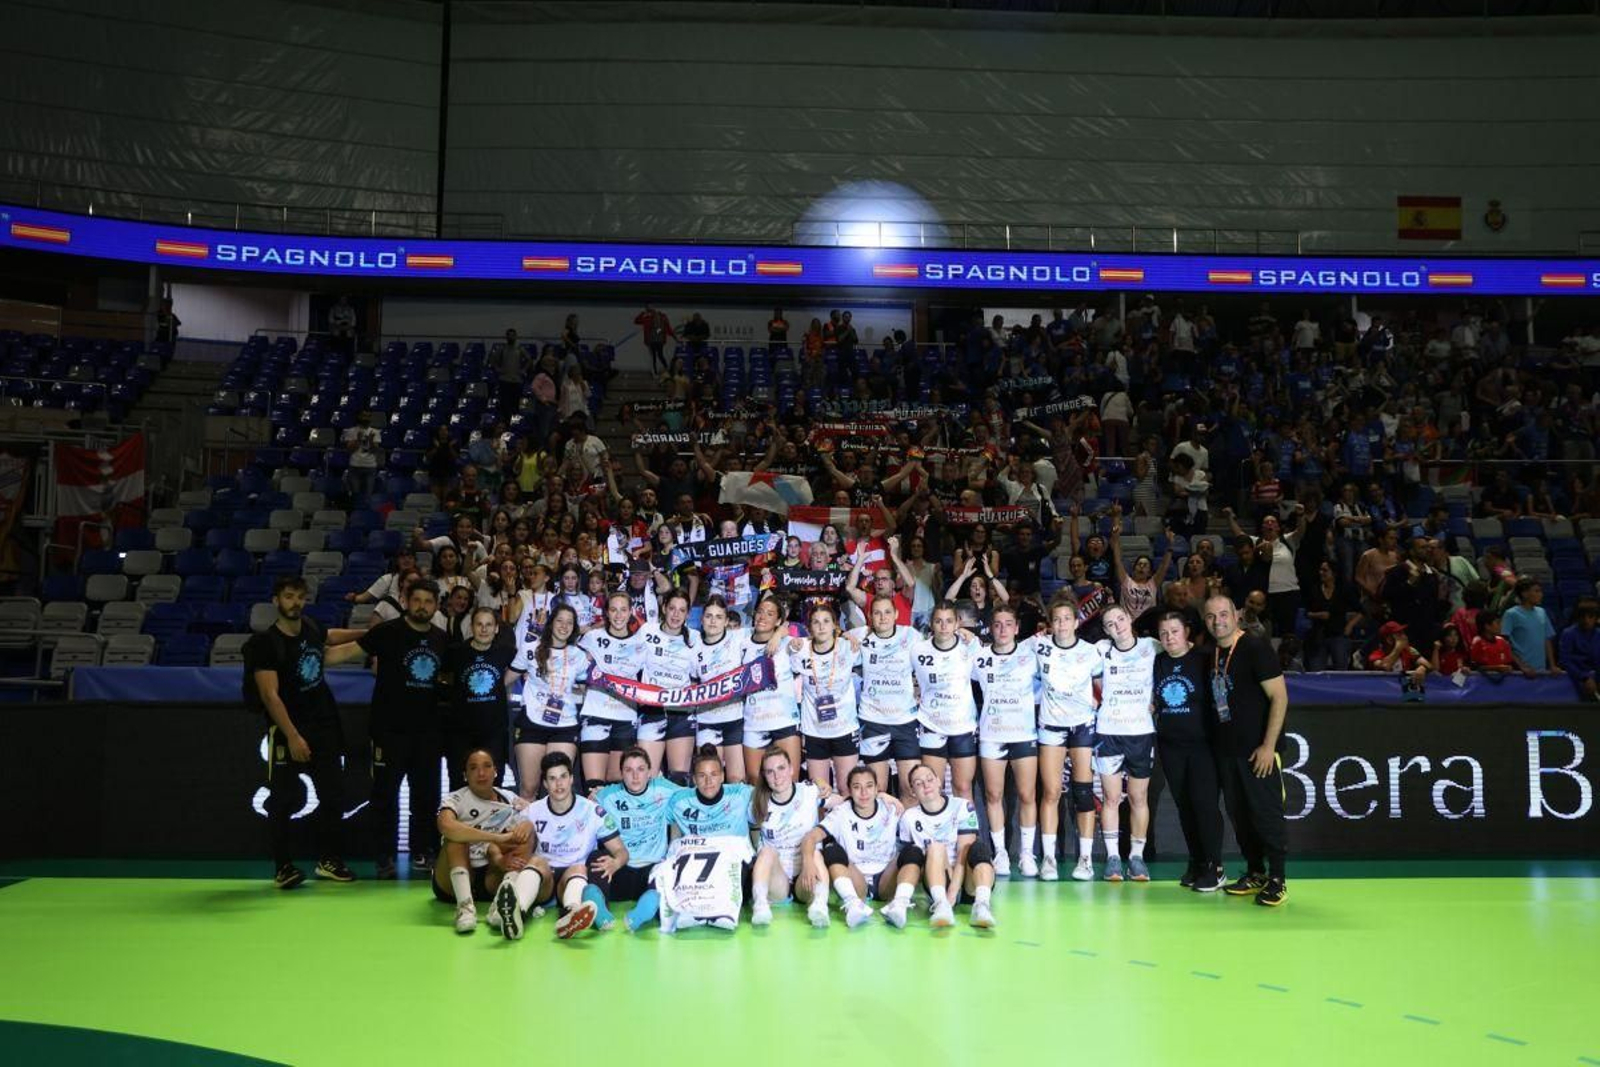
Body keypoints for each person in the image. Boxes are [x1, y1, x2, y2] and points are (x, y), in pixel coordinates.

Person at [326, 579, 450, 879]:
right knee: (384, 796)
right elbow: (339, 654)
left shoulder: (444, 640)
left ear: (435, 606)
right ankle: (384, 857)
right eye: (417, 600)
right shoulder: (387, 632)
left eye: (428, 602)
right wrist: (302, 655)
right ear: (406, 601)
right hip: (388, 731)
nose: (422, 606)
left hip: (428, 734)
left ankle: (424, 852)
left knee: (427, 797)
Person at [243, 576, 355, 889]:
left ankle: (328, 860)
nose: (295, 602)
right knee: (284, 799)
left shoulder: (311, 627)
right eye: (289, 596)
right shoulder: (264, 644)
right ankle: (283, 867)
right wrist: (292, 736)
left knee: (334, 795)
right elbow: (269, 696)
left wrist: (370, 635)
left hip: (324, 726)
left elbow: (330, 643)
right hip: (287, 731)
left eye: (300, 597)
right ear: (276, 600)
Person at [1202, 594, 1290, 907]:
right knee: (1240, 816)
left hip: (1257, 752)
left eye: (1223, 614)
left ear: (1236, 615)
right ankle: (1255, 872)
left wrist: (1268, 746)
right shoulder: (1211, 651)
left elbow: (1279, 698)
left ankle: (1278, 878)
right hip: (1227, 753)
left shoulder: (1255, 647)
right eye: (1211, 616)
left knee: (1266, 813)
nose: (1218, 621)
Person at [517, 752, 627, 939]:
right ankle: (515, 911)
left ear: (571, 779)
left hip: (574, 879)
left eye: (563, 777)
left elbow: (621, 850)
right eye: (552, 779)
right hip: (544, 881)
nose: (558, 784)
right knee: (537, 862)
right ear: (545, 783)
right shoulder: (532, 811)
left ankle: (571, 915)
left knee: (578, 867)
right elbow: (512, 845)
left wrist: (615, 863)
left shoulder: (592, 811)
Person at [1032, 593, 1103, 882]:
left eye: (1066, 619)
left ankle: (1085, 859)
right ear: (1050, 623)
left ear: (1076, 622)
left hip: (1082, 726)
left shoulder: (1090, 652)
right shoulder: (1038, 647)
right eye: (1056, 619)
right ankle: (1048, 858)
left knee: (1083, 793)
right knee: (1050, 793)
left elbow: (1101, 686)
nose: (1061, 624)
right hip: (1051, 727)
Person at [433, 749, 541, 935]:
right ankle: (465, 908)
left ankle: (502, 904)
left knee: (526, 831)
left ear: (495, 771)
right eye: (473, 768)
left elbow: (536, 816)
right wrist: (496, 838)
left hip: (493, 872)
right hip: (454, 878)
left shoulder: (510, 798)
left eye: (487, 766)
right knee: (455, 837)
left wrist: (528, 825)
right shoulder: (456, 798)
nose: (481, 773)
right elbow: (445, 826)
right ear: (465, 775)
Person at [1152, 612, 1223, 893]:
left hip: (1202, 747)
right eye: (1164, 633)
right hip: (1171, 747)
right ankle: (1197, 861)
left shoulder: (1204, 659)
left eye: (1175, 631)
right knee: (1185, 807)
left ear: (1187, 632)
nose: (1169, 638)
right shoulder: (1159, 661)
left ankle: (1215, 866)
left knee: (1204, 805)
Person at [971, 604, 1040, 879]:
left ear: (1017, 628)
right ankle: (999, 852)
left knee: (1026, 795)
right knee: (993, 795)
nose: (1002, 629)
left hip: (1023, 734)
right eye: (997, 624)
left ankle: (1026, 854)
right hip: (992, 734)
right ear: (990, 627)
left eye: (1008, 624)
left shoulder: (1030, 653)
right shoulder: (978, 657)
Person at [1093, 605, 1159, 883]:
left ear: (1130, 619)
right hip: (1108, 732)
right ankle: (1112, 858)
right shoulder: (1100, 649)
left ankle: (1137, 857)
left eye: (1120, 619)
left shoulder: (1152, 646)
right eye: (1110, 623)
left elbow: (1184, 649)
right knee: (1110, 799)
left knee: (1138, 798)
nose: (1117, 625)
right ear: (1105, 630)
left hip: (1141, 733)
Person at [890, 764, 997, 929]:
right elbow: (911, 862)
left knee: (978, 848)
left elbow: (964, 850)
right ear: (912, 791)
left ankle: (981, 906)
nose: (926, 785)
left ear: (939, 781)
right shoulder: (909, 818)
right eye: (918, 783)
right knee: (935, 848)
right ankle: (941, 905)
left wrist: (953, 892)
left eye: (929, 779)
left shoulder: (962, 806)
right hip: (938, 879)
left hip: (966, 880)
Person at [506, 603, 592, 799]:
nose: (564, 626)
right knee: (528, 789)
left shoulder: (578, 655)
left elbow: (590, 685)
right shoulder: (531, 649)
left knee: (558, 791)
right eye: (560, 620)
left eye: (569, 622)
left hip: (565, 724)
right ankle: (526, 830)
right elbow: (506, 680)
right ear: (551, 623)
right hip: (532, 724)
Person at [804, 765, 902, 929]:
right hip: (856, 879)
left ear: (877, 789)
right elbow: (811, 837)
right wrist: (807, 861)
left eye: (869, 786)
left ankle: (900, 903)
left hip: (886, 878)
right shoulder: (841, 812)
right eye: (857, 787)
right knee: (831, 849)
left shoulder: (891, 808)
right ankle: (853, 904)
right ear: (849, 790)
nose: (864, 793)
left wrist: (885, 796)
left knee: (913, 852)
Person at [846, 594, 922, 801]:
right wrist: (844, 636)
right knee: (878, 791)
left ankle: (907, 834)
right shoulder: (862, 635)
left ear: (896, 614)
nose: (883, 617)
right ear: (870, 616)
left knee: (911, 789)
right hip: (873, 722)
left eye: (888, 612)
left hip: (905, 721)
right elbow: (834, 635)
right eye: (877, 613)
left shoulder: (911, 635)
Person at [594, 747, 678, 932]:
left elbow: (694, 796)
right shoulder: (607, 796)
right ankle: (599, 913)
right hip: (620, 868)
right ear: (621, 773)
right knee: (595, 860)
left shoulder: (664, 789)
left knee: (669, 877)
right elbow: (580, 809)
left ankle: (639, 915)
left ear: (650, 771)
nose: (635, 776)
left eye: (640, 769)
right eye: (628, 770)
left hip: (652, 869)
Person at [748, 746, 831, 926]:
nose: (777, 776)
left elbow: (849, 804)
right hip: (778, 880)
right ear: (764, 775)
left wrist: (885, 797)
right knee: (767, 852)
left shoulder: (810, 792)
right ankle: (760, 905)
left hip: (806, 874)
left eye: (781, 768)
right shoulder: (758, 801)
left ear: (792, 769)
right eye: (770, 772)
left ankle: (819, 906)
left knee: (816, 853)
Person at [911, 602, 981, 803]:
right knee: (932, 788)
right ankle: (937, 835)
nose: (944, 626)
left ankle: (968, 834)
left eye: (949, 621)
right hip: (932, 725)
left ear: (957, 623)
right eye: (939, 621)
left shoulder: (970, 646)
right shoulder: (918, 650)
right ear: (932, 624)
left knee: (964, 788)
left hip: (963, 728)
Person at [789, 603, 862, 792]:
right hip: (815, 731)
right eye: (816, 622)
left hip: (845, 729)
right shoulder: (800, 649)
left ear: (835, 625)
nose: (821, 627)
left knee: (848, 790)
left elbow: (878, 631)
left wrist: (847, 634)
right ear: (809, 627)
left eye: (826, 622)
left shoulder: (848, 646)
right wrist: (786, 638)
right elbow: (780, 632)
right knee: (819, 793)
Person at [576, 592, 645, 787]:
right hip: (596, 714)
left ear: (631, 612)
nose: (618, 615)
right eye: (613, 609)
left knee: (617, 786)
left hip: (625, 717)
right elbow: (574, 665)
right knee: (594, 786)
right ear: (606, 612)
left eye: (623, 610)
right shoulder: (592, 637)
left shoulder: (641, 643)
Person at [442, 608, 515, 789]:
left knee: (494, 783)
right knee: (459, 785)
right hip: (461, 732)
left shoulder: (506, 652)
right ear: (472, 627)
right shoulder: (456, 653)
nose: (484, 629)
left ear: (496, 628)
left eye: (489, 625)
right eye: (479, 624)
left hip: (494, 731)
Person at [637, 589, 700, 782]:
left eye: (682, 610)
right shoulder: (647, 630)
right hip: (651, 710)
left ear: (688, 614)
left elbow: (700, 675)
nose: (676, 614)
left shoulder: (695, 638)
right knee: (647, 777)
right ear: (664, 608)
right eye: (672, 608)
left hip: (681, 712)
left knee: (679, 779)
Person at [739, 594, 803, 776]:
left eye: (769, 614)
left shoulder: (788, 642)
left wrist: (780, 634)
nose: (762, 617)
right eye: (760, 612)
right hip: (754, 722)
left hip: (784, 721)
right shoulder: (742, 642)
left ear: (778, 620)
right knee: (755, 783)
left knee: (790, 781)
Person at [1501, 578, 1559, 677]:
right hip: (1519, 672)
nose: (1540, 594)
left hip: (1541, 670)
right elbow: (1504, 643)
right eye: (1536, 591)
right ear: (1524, 593)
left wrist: (1552, 665)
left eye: (1540, 591)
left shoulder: (1542, 612)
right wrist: (1521, 666)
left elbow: (1546, 640)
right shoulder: (1511, 614)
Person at [1559, 597, 1600, 702]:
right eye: (1583, 617)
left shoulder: (1599, 633)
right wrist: (1584, 678)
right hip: (1577, 679)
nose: (1586, 620)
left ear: (1596, 618)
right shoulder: (1568, 633)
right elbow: (1565, 661)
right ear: (1578, 617)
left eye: (1590, 617)